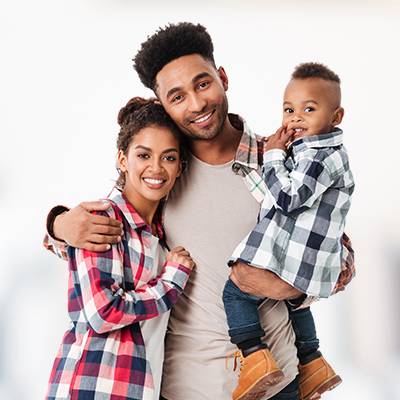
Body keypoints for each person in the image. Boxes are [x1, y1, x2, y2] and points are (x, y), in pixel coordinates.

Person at [44, 23, 355, 400]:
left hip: (278, 382)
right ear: (163, 105)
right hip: (185, 387)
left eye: (203, 84)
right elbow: (111, 231)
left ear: (222, 78)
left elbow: (331, 246)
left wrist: (302, 282)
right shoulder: (164, 174)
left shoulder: (277, 161)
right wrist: (58, 223)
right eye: (177, 96)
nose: (196, 103)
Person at [45, 97, 195, 400]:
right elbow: (103, 311)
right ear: (123, 159)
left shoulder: (162, 233)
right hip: (95, 386)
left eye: (168, 157)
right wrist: (171, 282)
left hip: (137, 387)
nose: (156, 167)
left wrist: (54, 229)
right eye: (144, 155)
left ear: (180, 167)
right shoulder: (102, 220)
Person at [222, 62, 354, 400]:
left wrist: (274, 156)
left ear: (335, 117)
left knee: (236, 289)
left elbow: (288, 197)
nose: (295, 118)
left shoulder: (320, 156)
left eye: (309, 109)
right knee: (296, 307)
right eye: (288, 109)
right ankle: (311, 362)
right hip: (306, 265)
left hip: (298, 262)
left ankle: (255, 357)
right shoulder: (314, 153)